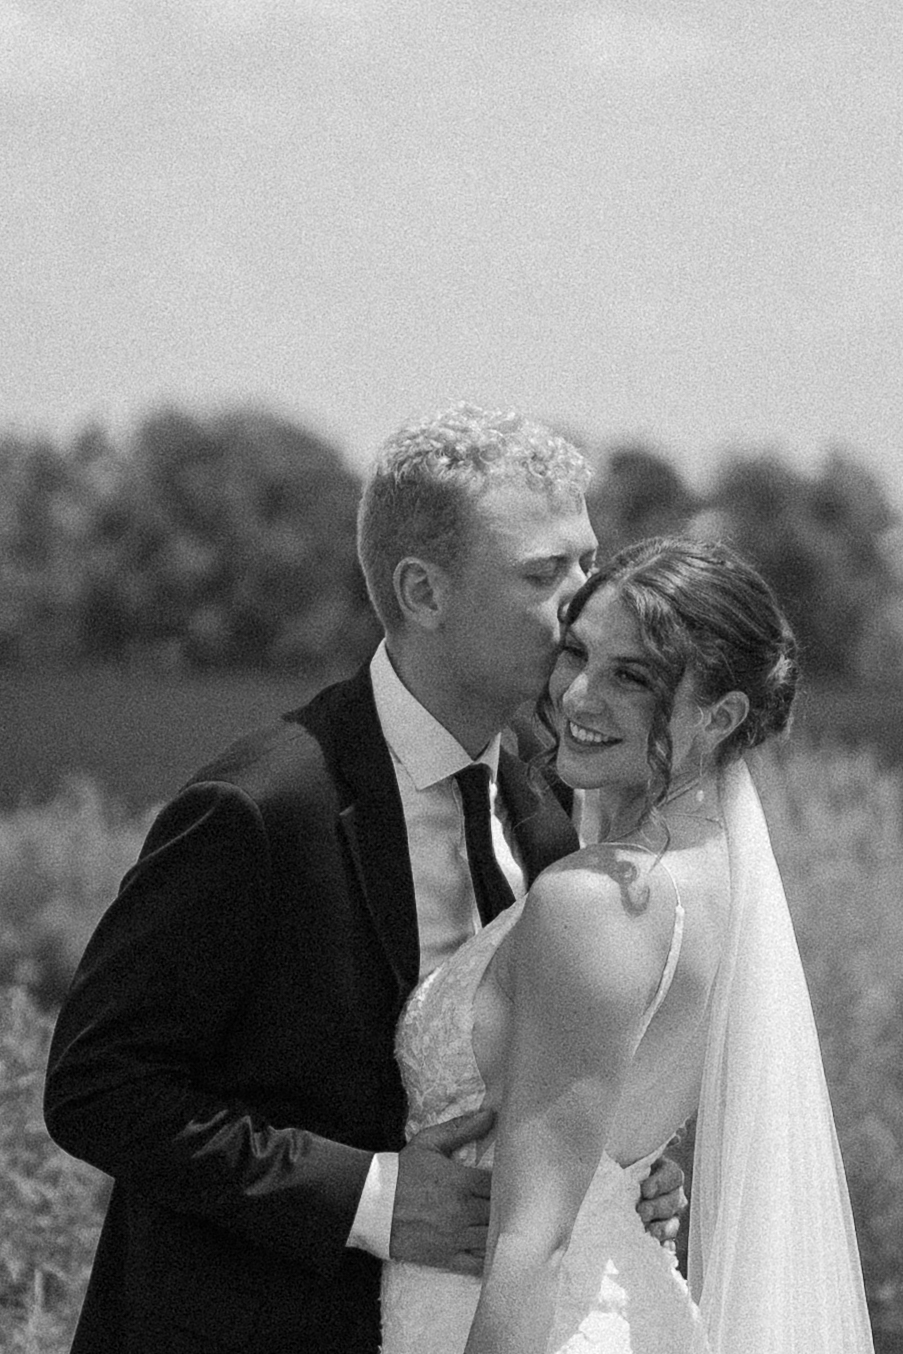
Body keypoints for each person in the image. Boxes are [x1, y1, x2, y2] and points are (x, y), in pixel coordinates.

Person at [43, 405, 684, 1354]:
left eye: (587, 562)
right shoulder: (257, 809)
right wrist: (370, 1197)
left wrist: (611, 1168)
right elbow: (97, 1087)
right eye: (544, 572)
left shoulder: (547, 799)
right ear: (422, 592)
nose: (585, 602)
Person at [380, 536, 875, 1354]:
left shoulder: (600, 900)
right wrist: (633, 1182)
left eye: (632, 678)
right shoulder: (710, 878)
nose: (578, 693)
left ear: (719, 717)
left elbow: (532, 1243)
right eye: (577, 653)